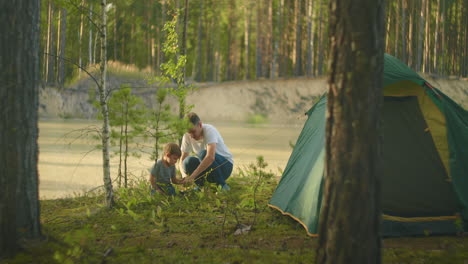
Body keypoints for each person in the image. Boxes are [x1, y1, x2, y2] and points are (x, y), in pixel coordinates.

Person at [180, 112, 233, 191]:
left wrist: (192, 177)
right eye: (189, 132)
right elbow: (182, 158)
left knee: (203, 154)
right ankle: (201, 187)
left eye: (193, 131)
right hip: (208, 168)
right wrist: (184, 176)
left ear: (200, 125)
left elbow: (210, 157)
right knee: (187, 161)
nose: (191, 136)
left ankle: (222, 185)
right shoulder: (187, 136)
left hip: (224, 167)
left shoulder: (209, 130)